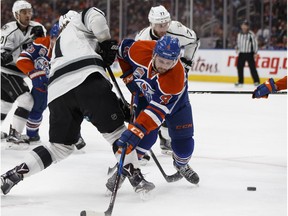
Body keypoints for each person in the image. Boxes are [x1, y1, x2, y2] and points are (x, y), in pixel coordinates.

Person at [1, 6, 153, 196]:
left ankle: (14, 174)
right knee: (116, 134)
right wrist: (106, 42)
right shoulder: (76, 24)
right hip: (87, 80)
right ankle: (136, 178)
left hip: (57, 92)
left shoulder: (58, 45)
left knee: (59, 147)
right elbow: (94, 13)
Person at [106, 35, 199, 192]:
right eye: (161, 61)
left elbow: (156, 112)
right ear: (154, 54)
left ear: (176, 60)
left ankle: (180, 164)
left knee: (184, 148)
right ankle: (123, 172)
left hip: (177, 107)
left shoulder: (175, 77)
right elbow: (122, 51)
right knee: (143, 142)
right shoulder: (139, 50)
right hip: (145, 99)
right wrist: (129, 76)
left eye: (169, 63)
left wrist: (135, 131)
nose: (164, 66)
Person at [135, 5, 200, 157]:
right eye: (159, 25)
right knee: (152, 108)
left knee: (171, 108)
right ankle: (144, 142)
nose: (164, 28)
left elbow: (194, 41)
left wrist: (186, 62)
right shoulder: (143, 37)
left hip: (172, 74)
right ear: (151, 23)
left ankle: (165, 138)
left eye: (166, 23)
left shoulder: (177, 29)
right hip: (152, 76)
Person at [1, 0, 46, 143]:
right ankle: (15, 135)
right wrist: (4, 56)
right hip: (6, 72)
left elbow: (43, 50)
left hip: (20, 72)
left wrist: (41, 38)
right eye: (24, 12)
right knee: (27, 100)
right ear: (16, 15)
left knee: (5, 103)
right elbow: (2, 55)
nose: (28, 15)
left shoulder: (37, 27)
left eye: (29, 12)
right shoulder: (8, 29)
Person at [235, 20, 260, 87]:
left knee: (252, 67)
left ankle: (256, 81)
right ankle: (240, 82)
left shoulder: (251, 34)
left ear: (247, 26)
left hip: (249, 53)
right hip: (241, 53)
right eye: (242, 25)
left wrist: (255, 52)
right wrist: (237, 48)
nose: (243, 26)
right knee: (239, 67)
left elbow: (255, 43)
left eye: (245, 25)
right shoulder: (239, 34)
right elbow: (238, 43)